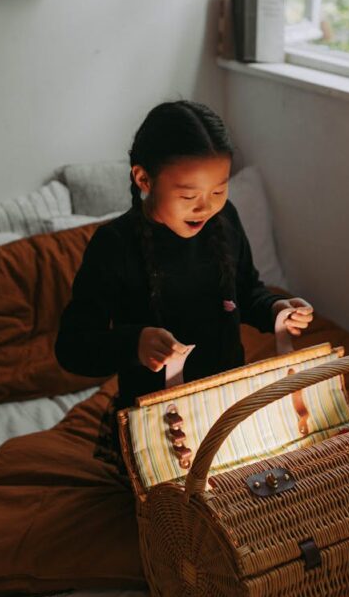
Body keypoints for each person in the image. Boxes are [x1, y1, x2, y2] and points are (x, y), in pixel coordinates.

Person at [55, 99, 313, 463]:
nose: (205, 207)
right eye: (189, 196)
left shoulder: (224, 222)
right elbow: (72, 347)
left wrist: (274, 309)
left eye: (219, 191)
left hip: (228, 407)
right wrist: (135, 343)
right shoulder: (114, 245)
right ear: (143, 179)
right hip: (157, 424)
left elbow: (245, 292)